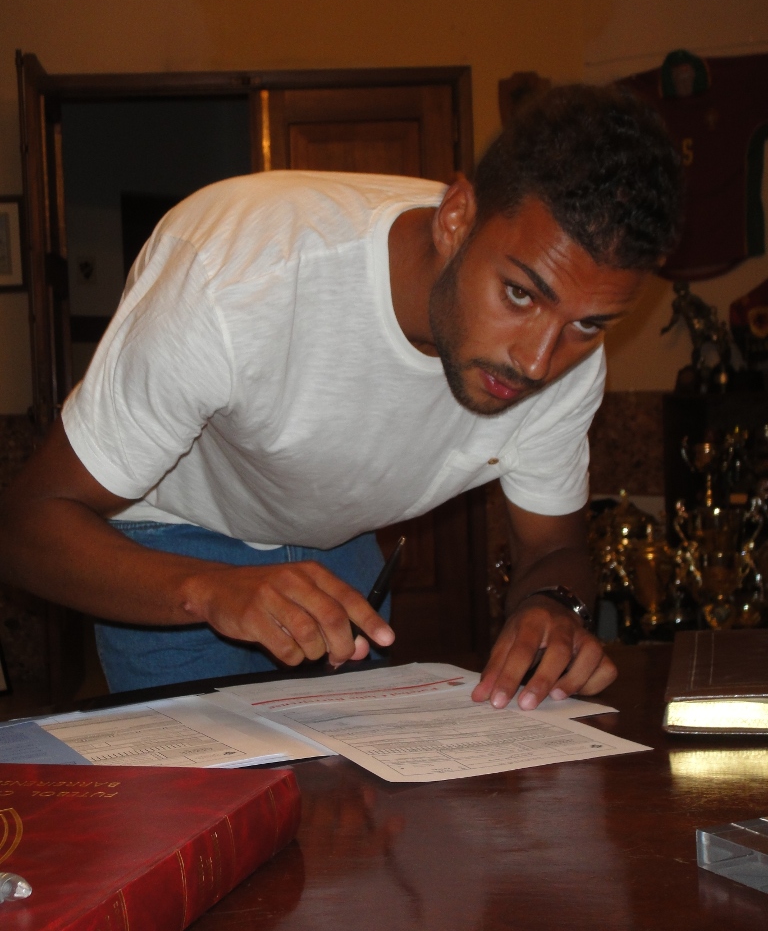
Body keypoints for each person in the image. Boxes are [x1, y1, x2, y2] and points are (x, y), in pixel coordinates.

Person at [0, 84, 682, 709]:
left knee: (352, 797)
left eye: (589, 324)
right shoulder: (235, 277)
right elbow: (26, 528)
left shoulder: (566, 356)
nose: (536, 361)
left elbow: (552, 551)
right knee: (204, 796)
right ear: (455, 218)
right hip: (172, 548)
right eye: (519, 293)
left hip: (339, 554)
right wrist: (209, 590)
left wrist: (553, 609)